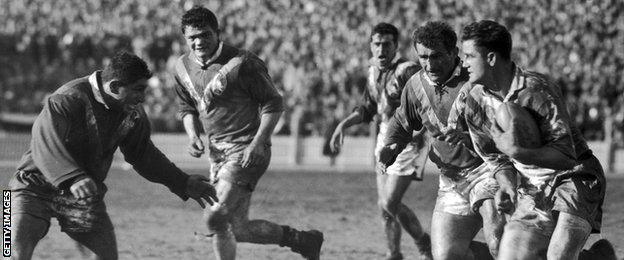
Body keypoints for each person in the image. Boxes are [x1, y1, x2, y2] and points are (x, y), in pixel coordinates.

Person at [9, 51, 218, 260]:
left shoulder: (133, 112)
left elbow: (143, 154)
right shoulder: (66, 98)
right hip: (29, 187)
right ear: (115, 86)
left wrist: (182, 182)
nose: (143, 97)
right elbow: (43, 142)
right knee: (11, 253)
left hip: (84, 193)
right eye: (138, 89)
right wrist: (72, 177)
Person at [173, 6, 323, 260]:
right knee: (236, 228)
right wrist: (192, 135)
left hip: (247, 149)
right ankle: (302, 240)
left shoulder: (242, 63)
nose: (198, 42)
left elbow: (273, 103)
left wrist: (258, 142)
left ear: (217, 33)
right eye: (192, 37)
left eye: (204, 35)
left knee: (215, 215)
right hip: (217, 153)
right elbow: (186, 106)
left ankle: (301, 240)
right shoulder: (181, 66)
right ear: (185, 38)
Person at [457, 19, 615, 260]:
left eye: (469, 56)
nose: (463, 63)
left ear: (490, 58)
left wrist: (520, 152)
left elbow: (566, 156)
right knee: (510, 256)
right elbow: (495, 159)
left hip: (575, 177)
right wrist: (508, 185)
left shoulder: (537, 89)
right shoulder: (474, 102)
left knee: (558, 256)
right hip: (532, 187)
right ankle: (597, 258)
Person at [378, 21, 509, 260]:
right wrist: (391, 147)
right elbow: (402, 122)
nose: (429, 64)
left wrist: (469, 138)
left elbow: (508, 135)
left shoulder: (477, 82)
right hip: (450, 179)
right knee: (446, 256)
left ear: (454, 53)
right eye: (423, 57)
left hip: (487, 171)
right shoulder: (415, 85)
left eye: (436, 56)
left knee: (496, 240)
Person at [329, 22, 431, 260]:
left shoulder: (408, 71)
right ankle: (394, 253)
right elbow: (367, 108)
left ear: (396, 46)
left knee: (389, 201)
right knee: (384, 204)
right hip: (384, 137)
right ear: (371, 46)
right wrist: (342, 124)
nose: (381, 49)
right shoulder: (373, 71)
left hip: (408, 140)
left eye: (387, 44)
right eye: (377, 44)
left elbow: (426, 105)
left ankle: (424, 243)